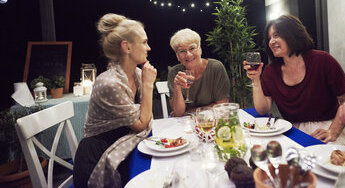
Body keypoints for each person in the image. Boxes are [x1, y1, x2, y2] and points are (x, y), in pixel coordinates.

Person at [73, 13, 157, 188]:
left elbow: (145, 115)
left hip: (124, 146)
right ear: (126, 47)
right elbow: (142, 123)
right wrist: (149, 85)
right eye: (143, 42)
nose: (148, 47)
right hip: (98, 160)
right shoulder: (109, 83)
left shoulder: (137, 74)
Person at [243, 15, 345, 144]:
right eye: (269, 38)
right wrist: (256, 80)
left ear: (293, 34)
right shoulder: (271, 71)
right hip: (292, 130)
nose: (271, 42)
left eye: (276, 35)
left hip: (327, 127)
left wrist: (333, 131)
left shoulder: (323, 61)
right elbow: (263, 109)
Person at [168, 28, 230, 116]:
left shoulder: (215, 68)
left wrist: (190, 111)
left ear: (200, 49)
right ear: (177, 56)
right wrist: (177, 88)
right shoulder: (174, 73)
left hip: (212, 120)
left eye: (192, 48)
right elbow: (178, 113)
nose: (188, 55)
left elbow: (221, 106)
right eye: (182, 51)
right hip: (186, 124)